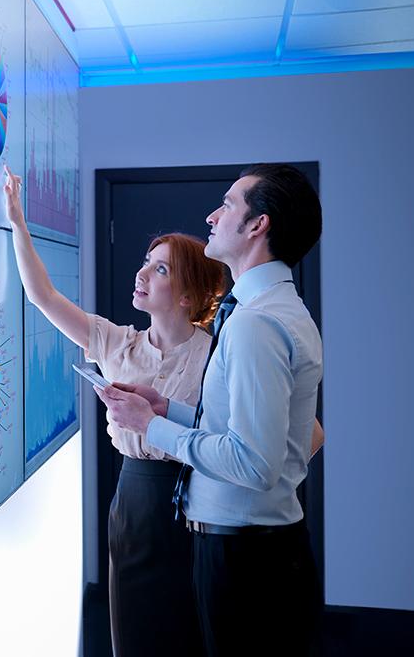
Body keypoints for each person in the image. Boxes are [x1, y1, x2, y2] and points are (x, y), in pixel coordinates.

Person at [97, 163, 325, 656]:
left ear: (258, 225)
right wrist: (170, 410)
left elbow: (253, 462)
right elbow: (257, 435)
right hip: (258, 550)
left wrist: (153, 426)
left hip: (245, 558)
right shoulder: (275, 310)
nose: (211, 215)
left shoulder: (255, 324)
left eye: (227, 205)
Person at [2, 167, 218, 656]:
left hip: (196, 504)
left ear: (186, 296)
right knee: (134, 631)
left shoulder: (216, 356)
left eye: (159, 269)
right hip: (132, 503)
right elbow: (43, 296)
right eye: (146, 262)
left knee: (189, 631)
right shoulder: (115, 342)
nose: (141, 274)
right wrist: (18, 222)